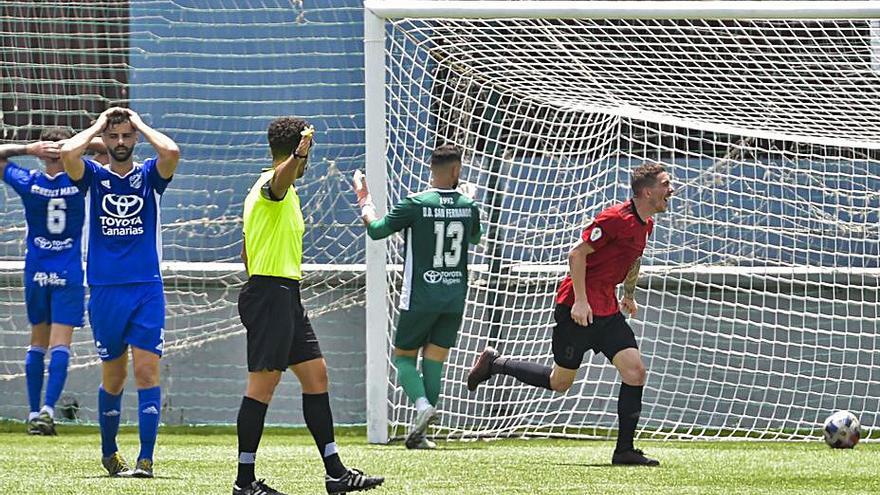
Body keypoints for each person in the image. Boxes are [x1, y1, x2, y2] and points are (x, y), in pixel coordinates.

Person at [467, 162, 674, 466]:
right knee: (560, 382)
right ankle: (495, 364)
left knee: (635, 372)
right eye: (666, 184)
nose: (672, 190)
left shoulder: (646, 224)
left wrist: (628, 294)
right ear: (647, 191)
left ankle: (624, 451)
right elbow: (576, 254)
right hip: (576, 309)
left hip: (606, 309)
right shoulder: (615, 218)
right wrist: (579, 301)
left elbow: (634, 259)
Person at [233, 116, 384, 495]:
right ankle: (244, 482)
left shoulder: (283, 194)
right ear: (299, 151)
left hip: (286, 296)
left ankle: (336, 474)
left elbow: (246, 250)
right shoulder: (271, 185)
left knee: (316, 376)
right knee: (261, 388)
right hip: (270, 296)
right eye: (306, 153)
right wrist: (299, 153)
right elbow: (278, 182)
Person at [61, 107, 180, 478]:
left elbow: (172, 152)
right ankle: (110, 453)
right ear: (104, 142)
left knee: (147, 372)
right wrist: (98, 124)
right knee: (114, 378)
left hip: (146, 288)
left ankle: (146, 459)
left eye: (126, 136)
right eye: (114, 137)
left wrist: (140, 123)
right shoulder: (93, 177)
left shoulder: (149, 176)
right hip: (105, 291)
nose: (121, 142)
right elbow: (67, 153)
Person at [352, 144, 482, 449]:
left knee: (404, 357)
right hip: (454, 297)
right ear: (457, 171)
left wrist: (364, 200)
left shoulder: (415, 203)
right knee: (434, 360)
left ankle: (422, 405)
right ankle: (420, 434)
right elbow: (475, 238)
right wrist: (469, 202)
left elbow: (377, 230)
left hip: (420, 296)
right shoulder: (468, 204)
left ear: (430, 169)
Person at [0, 128, 89, 436]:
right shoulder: (81, 182)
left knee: (37, 342)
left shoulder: (30, 182)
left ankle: (33, 411)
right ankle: (49, 410)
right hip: (68, 271)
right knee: (61, 343)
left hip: (36, 270)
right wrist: (75, 146)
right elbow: (107, 151)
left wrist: (29, 148)